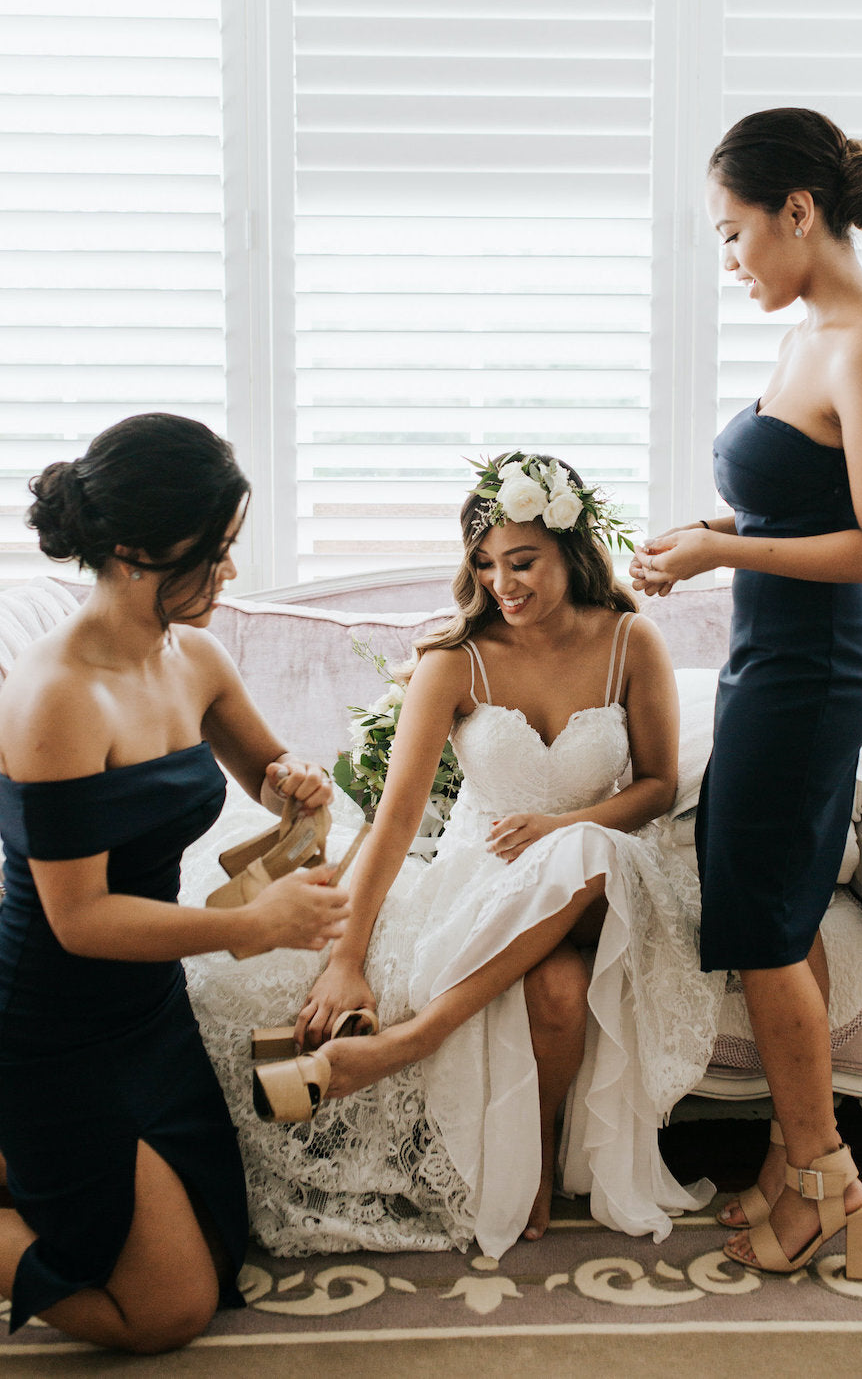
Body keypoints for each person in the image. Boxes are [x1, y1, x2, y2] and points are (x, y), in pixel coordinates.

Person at [184, 452, 726, 1260]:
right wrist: (348, 959)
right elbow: (396, 822)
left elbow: (653, 784)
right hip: (491, 886)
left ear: (570, 549)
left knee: (581, 849)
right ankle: (538, 1154)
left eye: (522, 561)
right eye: (485, 563)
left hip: (609, 876)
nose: (503, 583)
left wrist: (558, 827)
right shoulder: (453, 659)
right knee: (555, 992)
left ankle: (408, 1042)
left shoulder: (629, 641)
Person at [631, 107, 862, 1279]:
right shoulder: (811, 330)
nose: (732, 257)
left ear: (798, 211)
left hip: (812, 671)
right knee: (770, 912)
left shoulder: (859, 342)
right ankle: (794, 1162)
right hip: (774, 660)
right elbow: (811, 501)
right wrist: (721, 526)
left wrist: (723, 555)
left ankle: (821, 1178)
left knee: (760, 924)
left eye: (734, 231)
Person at [0, 414, 349, 1353]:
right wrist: (251, 926)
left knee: (222, 1252)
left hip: (147, 1008)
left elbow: (267, 766)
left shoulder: (195, 655)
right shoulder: (55, 696)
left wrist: (294, 785)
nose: (231, 574)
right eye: (217, 552)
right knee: (168, 1313)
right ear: (135, 549)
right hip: (54, 1025)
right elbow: (78, 920)